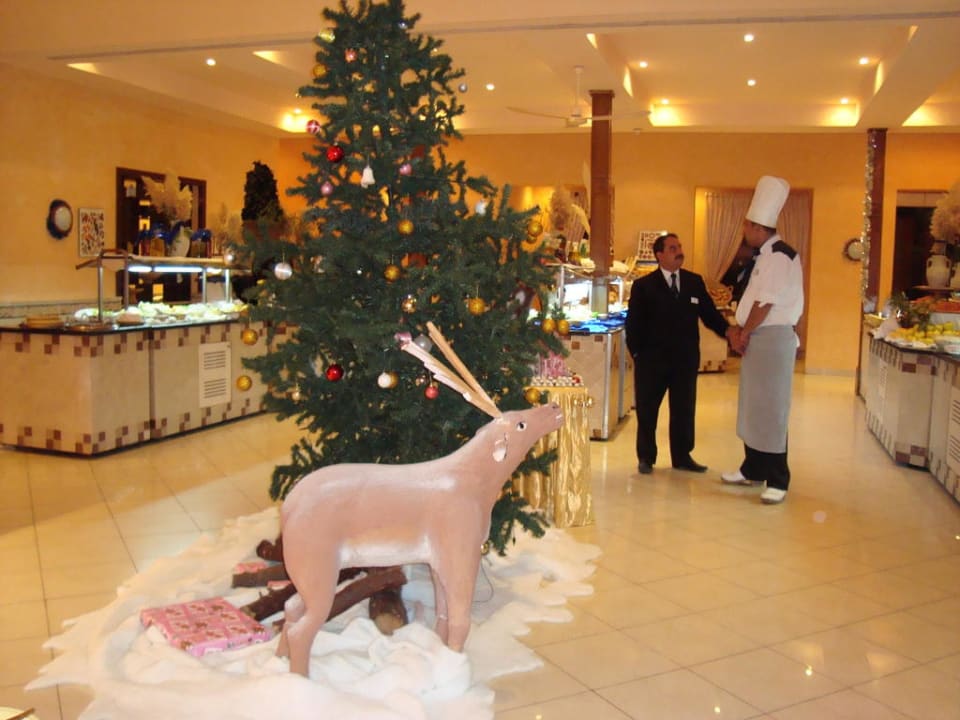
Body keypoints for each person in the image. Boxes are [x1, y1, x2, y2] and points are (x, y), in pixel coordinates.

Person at [723, 176, 804, 504]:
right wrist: (743, 331)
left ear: (759, 227)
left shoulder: (781, 255)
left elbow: (765, 303)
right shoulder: (765, 254)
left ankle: (778, 478)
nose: (744, 230)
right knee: (754, 406)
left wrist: (744, 333)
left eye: (747, 225)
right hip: (758, 337)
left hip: (771, 338)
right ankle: (753, 468)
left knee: (771, 409)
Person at [626, 233, 735, 475]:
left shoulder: (693, 282)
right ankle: (646, 457)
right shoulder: (644, 286)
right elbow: (633, 324)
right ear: (659, 255)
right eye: (673, 248)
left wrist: (729, 332)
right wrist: (638, 354)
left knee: (684, 410)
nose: (679, 252)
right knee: (647, 410)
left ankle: (682, 456)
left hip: (684, 360)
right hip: (651, 361)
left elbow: (710, 315)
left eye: (679, 247)